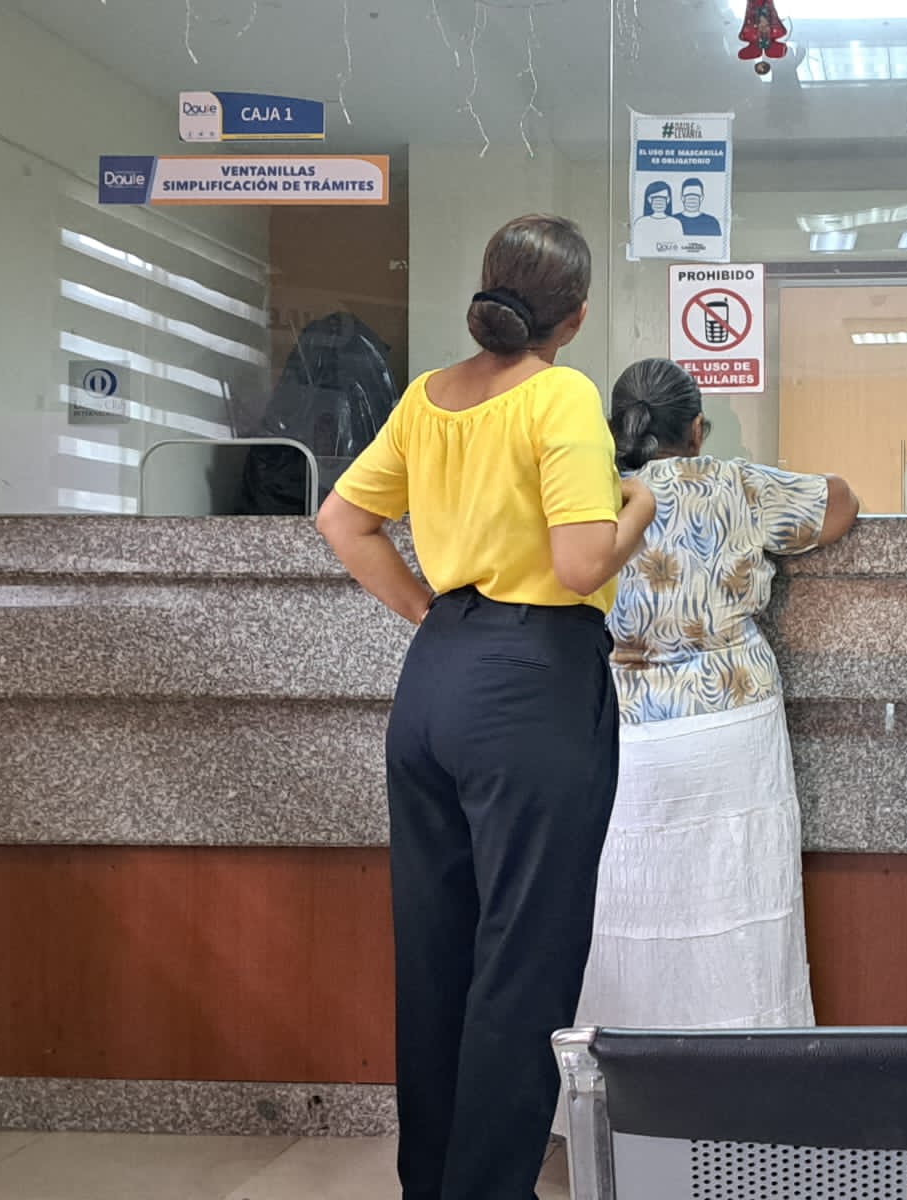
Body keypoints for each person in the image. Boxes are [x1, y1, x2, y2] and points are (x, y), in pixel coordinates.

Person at [316, 215, 655, 1200]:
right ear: (575, 316)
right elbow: (581, 563)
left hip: (436, 678)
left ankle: (433, 1185)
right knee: (524, 954)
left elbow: (342, 519)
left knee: (437, 950)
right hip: (533, 681)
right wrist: (638, 508)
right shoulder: (559, 394)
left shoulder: (428, 397)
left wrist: (431, 614)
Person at [565, 358, 858, 1073]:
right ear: (695, 429)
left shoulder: (588, 496)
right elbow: (840, 503)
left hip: (620, 724)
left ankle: (623, 1097)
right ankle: (747, 1088)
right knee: (741, 907)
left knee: (623, 909)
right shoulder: (736, 484)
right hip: (732, 718)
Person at [632, 180, 684, 255]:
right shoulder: (640, 223)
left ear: (668, 200)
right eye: (655, 197)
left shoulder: (676, 223)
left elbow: (679, 249)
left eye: (663, 198)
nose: (659, 201)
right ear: (649, 200)